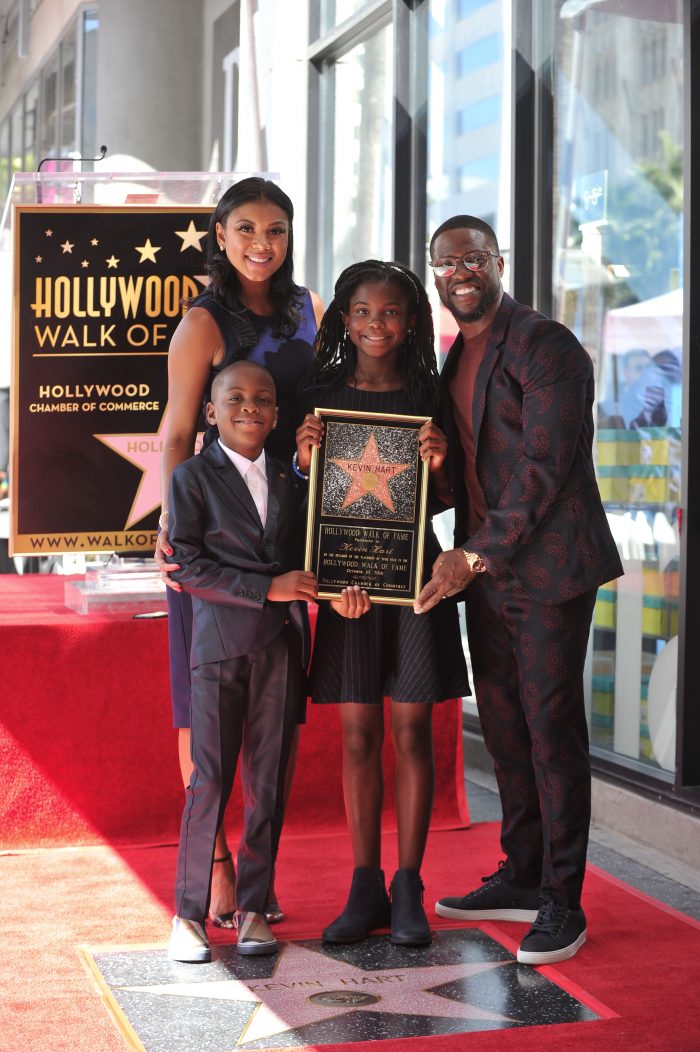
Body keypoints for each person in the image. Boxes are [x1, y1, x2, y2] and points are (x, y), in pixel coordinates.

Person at [414, 216, 624, 966]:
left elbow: (543, 469)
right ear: (433, 272)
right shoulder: (453, 355)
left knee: (550, 731)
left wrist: (468, 557)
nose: (460, 270)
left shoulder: (546, 345)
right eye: (447, 261)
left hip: (548, 570)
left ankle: (564, 903)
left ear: (499, 263)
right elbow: (466, 469)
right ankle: (524, 873)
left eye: (474, 258)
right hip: (488, 572)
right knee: (503, 727)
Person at [156, 177, 323, 927]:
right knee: (204, 716)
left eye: (278, 229)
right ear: (219, 234)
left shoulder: (306, 309)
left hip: (286, 527)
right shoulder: (203, 320)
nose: (264, 243)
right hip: (216, 536)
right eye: (247, 227)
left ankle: (255, 879)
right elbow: (176, 429)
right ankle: (215, 869)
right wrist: (173, 526)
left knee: (267, 721)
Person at [295, 260, 470, 947]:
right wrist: (305, 461)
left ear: (412, 322)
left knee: (412, 733)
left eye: (391, 313)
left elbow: (453, 498)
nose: (376, 324)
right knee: (359, 734)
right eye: (363, 312)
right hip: (348, 582)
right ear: (344, 318)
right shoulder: (321, 393)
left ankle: (407, 886)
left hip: (414, 577)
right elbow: (301, 501)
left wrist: (438, 463)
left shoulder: (434, 393)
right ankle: (363, 883)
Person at [166, 360, 317, 963]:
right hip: (219, 648)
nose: (249, 408)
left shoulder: (290, 480)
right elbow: (188, 566)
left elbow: (317, 549)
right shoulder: (191, 478)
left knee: (269, 783)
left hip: (280, 648)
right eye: (235, 398)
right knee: (209, 781)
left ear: (277, 415)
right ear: (211, 411)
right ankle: (187, 914)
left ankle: (254, 907)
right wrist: (268, 588)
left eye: (262, 400)